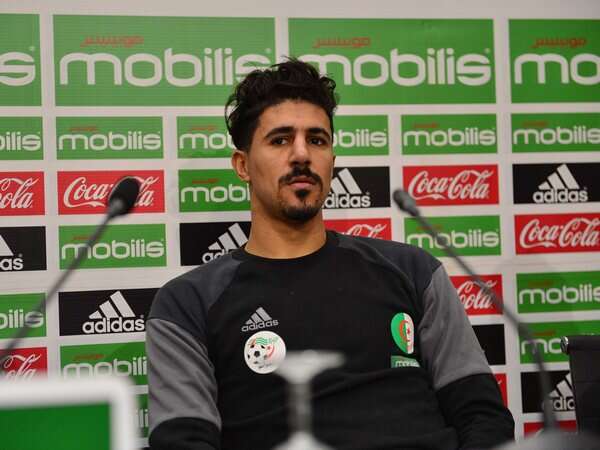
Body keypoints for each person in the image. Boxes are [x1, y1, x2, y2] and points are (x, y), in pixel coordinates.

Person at [146, 58, 514, 450]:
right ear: (242, 165)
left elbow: (483, 417)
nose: (301, 154)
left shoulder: (412, 270)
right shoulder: (188, 304)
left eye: (317, 140)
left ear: (332, 163)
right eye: (280, 140)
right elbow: (183, 443)